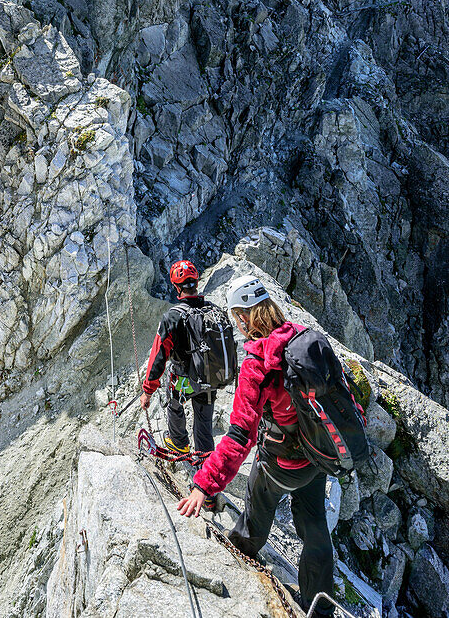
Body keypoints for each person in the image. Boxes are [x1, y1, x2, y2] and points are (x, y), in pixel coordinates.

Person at [177, 274, 335, 618]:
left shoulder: (257, 363)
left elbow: (239, 436)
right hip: (317, 455)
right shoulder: (302, 337)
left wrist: (204, 484)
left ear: (245, 316)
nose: (238, 324)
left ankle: (244, 547)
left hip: (280, 463)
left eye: (237, 318)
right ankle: (319, 605)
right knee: (315, 527)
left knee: (258, 495)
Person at [140, 259, 233, 454]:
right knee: (204, 421)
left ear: (176, 287)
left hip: (185, 380)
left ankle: (179, 443)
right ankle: (205, 458)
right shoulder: (213, 311)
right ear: (197, 283)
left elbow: (159, 357)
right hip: (210, 376)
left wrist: (148, 390)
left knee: (174, 405)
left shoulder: (172, 317)